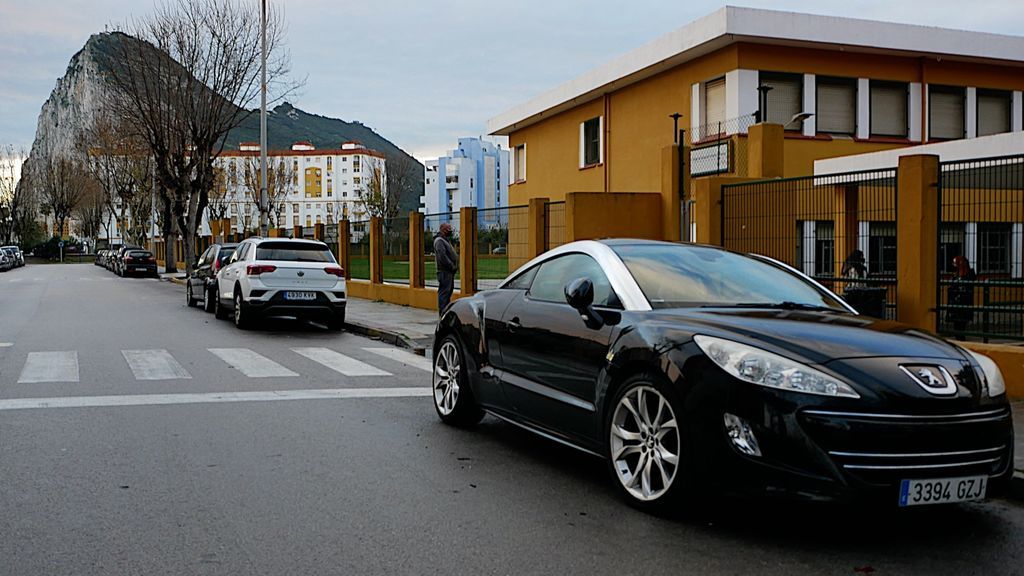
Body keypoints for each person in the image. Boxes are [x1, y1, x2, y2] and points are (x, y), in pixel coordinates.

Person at [947, 255, 976, 340]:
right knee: (956, 325)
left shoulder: (968, 275)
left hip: (964, 303)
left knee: (961, 325)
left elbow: (967, 287)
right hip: (955, 304)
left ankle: (961, 338)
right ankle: (959, 337)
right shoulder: (955, 275)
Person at [434, 222, 459, 316]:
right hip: (444, 272)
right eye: (449, 229)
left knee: (447, 292)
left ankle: (445, 312)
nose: (451, 231)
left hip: (448, 272)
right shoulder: (439, 241)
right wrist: (451, 266)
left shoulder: (444, 240)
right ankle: (443, 313)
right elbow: (442, 256)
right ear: (443, 230)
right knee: (444, 293)